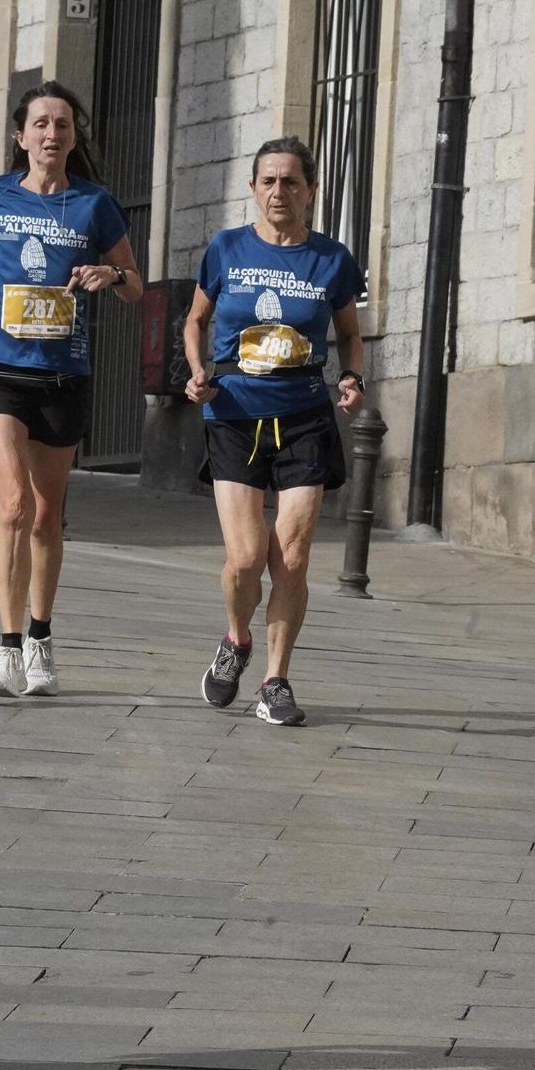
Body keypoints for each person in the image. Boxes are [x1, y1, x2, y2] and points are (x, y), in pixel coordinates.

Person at [0, 80, 140, 698]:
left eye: (62, 125)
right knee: (14, 505)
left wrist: (109, 271)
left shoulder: (94, 205)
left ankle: (41, 638)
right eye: (40, 124)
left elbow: (135, 287)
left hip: (63, 377)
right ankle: (8, 647)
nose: (51, 134)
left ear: (73, 138)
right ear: (21, 136)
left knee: (47, 515)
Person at [183, 136, 365, 727]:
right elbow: (196, 319)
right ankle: (237, 641)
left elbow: (349, 334)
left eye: (290, 182)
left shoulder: (332, 260)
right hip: (234, 412)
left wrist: (354, 377)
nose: (278, 191)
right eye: (268, 181)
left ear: (310, 191)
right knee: (244, 557)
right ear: (253, 188)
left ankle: (276, 680)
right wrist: (194, 372)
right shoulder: (226, 249)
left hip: (306, 414)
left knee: (292, 553)